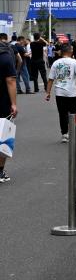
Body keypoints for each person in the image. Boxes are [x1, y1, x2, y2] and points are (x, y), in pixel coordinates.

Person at [44, 43, 76, 143]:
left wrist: (48, 93)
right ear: (70, 51)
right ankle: (72, 132)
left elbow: (50, 79)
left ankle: (64, 134)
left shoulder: (56, 63)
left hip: (59, 92)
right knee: (74, 113)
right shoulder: (74, 62)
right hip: (71, 92)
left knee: (62, 113)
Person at [0, 33, 17, 183]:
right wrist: (14, 104)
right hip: (2, 101)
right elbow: (10, 80)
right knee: (3, 136)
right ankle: (0, 171)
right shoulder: (5, 56)